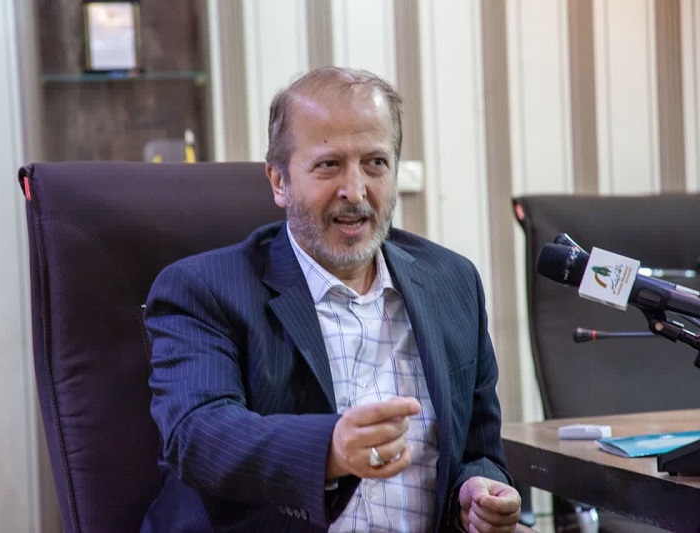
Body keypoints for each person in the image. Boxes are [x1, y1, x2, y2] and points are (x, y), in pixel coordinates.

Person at [142, 66, 521, 532]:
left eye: (375, 163)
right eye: (329, 165)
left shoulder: (451, 283)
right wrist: (330, 450)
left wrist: (477, 491)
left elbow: (479, 450)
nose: (355, 191)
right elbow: (197, 434)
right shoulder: (205, 289)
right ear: (279, 181)